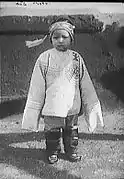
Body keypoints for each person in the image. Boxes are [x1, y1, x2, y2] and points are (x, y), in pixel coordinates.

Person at [22, 15, 104, 164]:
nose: (60, 40)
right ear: (51, 39)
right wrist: (35, 109)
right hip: (52, 105)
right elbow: (37, 86)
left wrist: (90, 104)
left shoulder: (76, 58)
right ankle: (53, 151)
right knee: (52, 131)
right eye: (56, 37)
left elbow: (85, 83)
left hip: (72, 105)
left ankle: (71, 151)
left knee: (71, 130)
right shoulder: (44, 58)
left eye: (64, 37)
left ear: (71, 38)